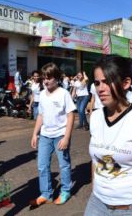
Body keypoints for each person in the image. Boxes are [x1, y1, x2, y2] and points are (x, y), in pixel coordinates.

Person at [85, 57, 132, 216]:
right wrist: (95, 192)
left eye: (107, 81)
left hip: (131, 208)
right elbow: (95, 161)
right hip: (97, 204)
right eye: (97, 83)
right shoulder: (96, 117)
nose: (100, 89)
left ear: (126, 83)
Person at [30, 62, 76, 206]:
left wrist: (66, 137)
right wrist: (34, 134)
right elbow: (40, 116)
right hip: (45, 135)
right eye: (44, 78)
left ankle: (65, 191)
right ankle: (46, 193)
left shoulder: (64, 93)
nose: (45, 81)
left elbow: (71, 115)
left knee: (64, 165)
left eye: (48, 78)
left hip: (60, 135)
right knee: (42, 165)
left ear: (56, 78)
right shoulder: (42, 94)